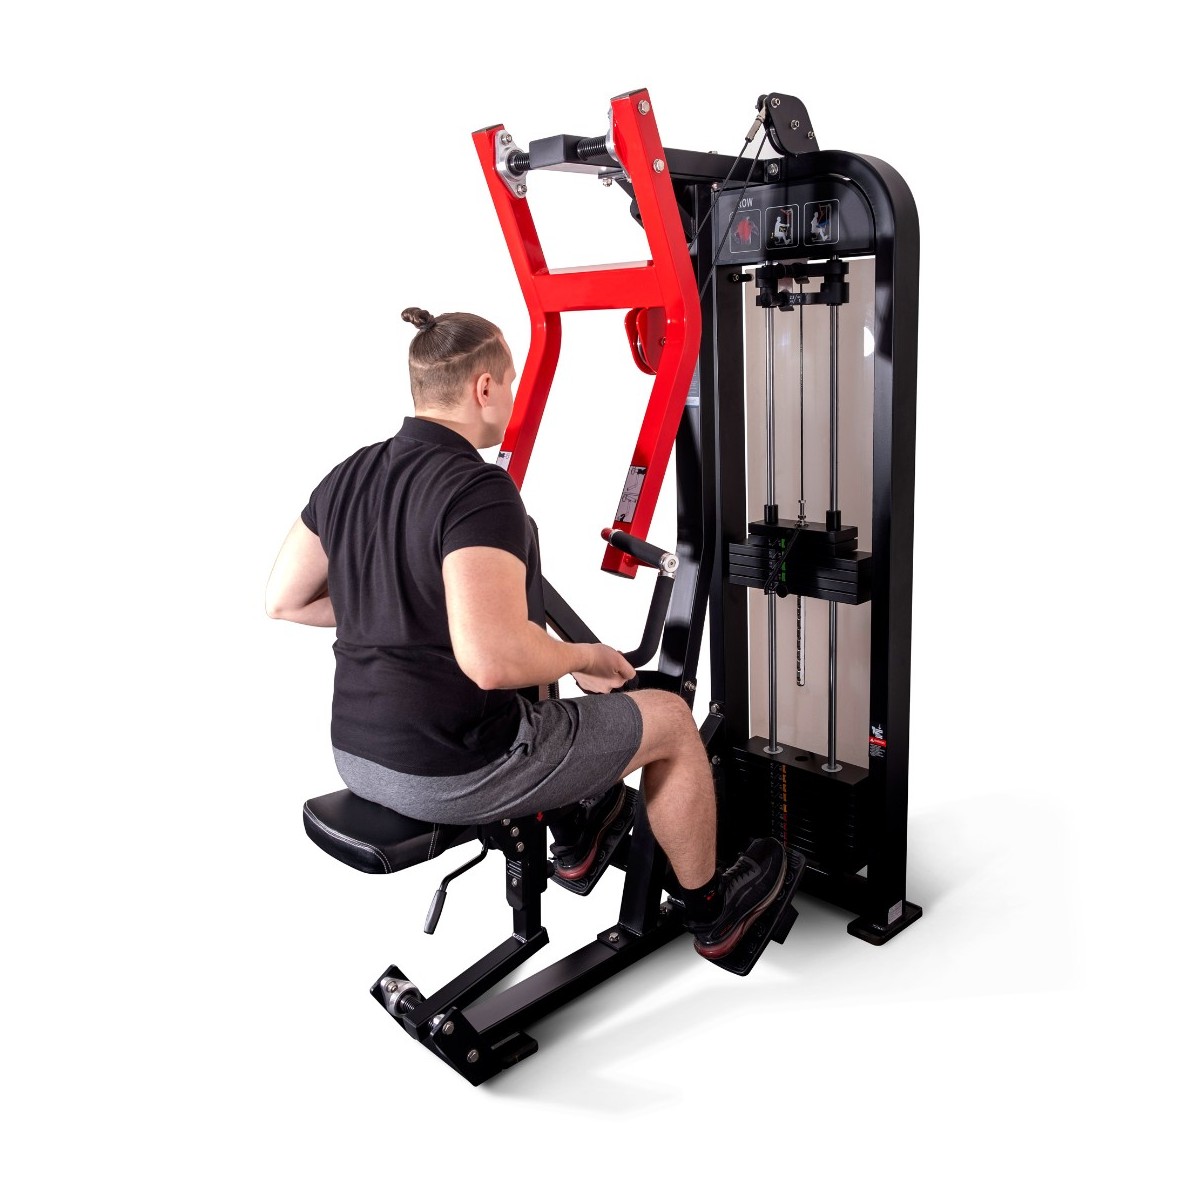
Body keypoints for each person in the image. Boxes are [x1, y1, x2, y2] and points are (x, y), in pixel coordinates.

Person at [266, 306, 788, 961]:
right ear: (484, 387)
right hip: (448, 769)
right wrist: (584, 656)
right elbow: (491, 660)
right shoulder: (476, 487)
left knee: (531, 674)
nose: (513, 397)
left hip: (357, 755)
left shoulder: (351, 473)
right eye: (511, 382)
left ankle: (576, 836)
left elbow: (285, 600)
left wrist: (408, 608)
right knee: (672, 723)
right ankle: (716, 914)